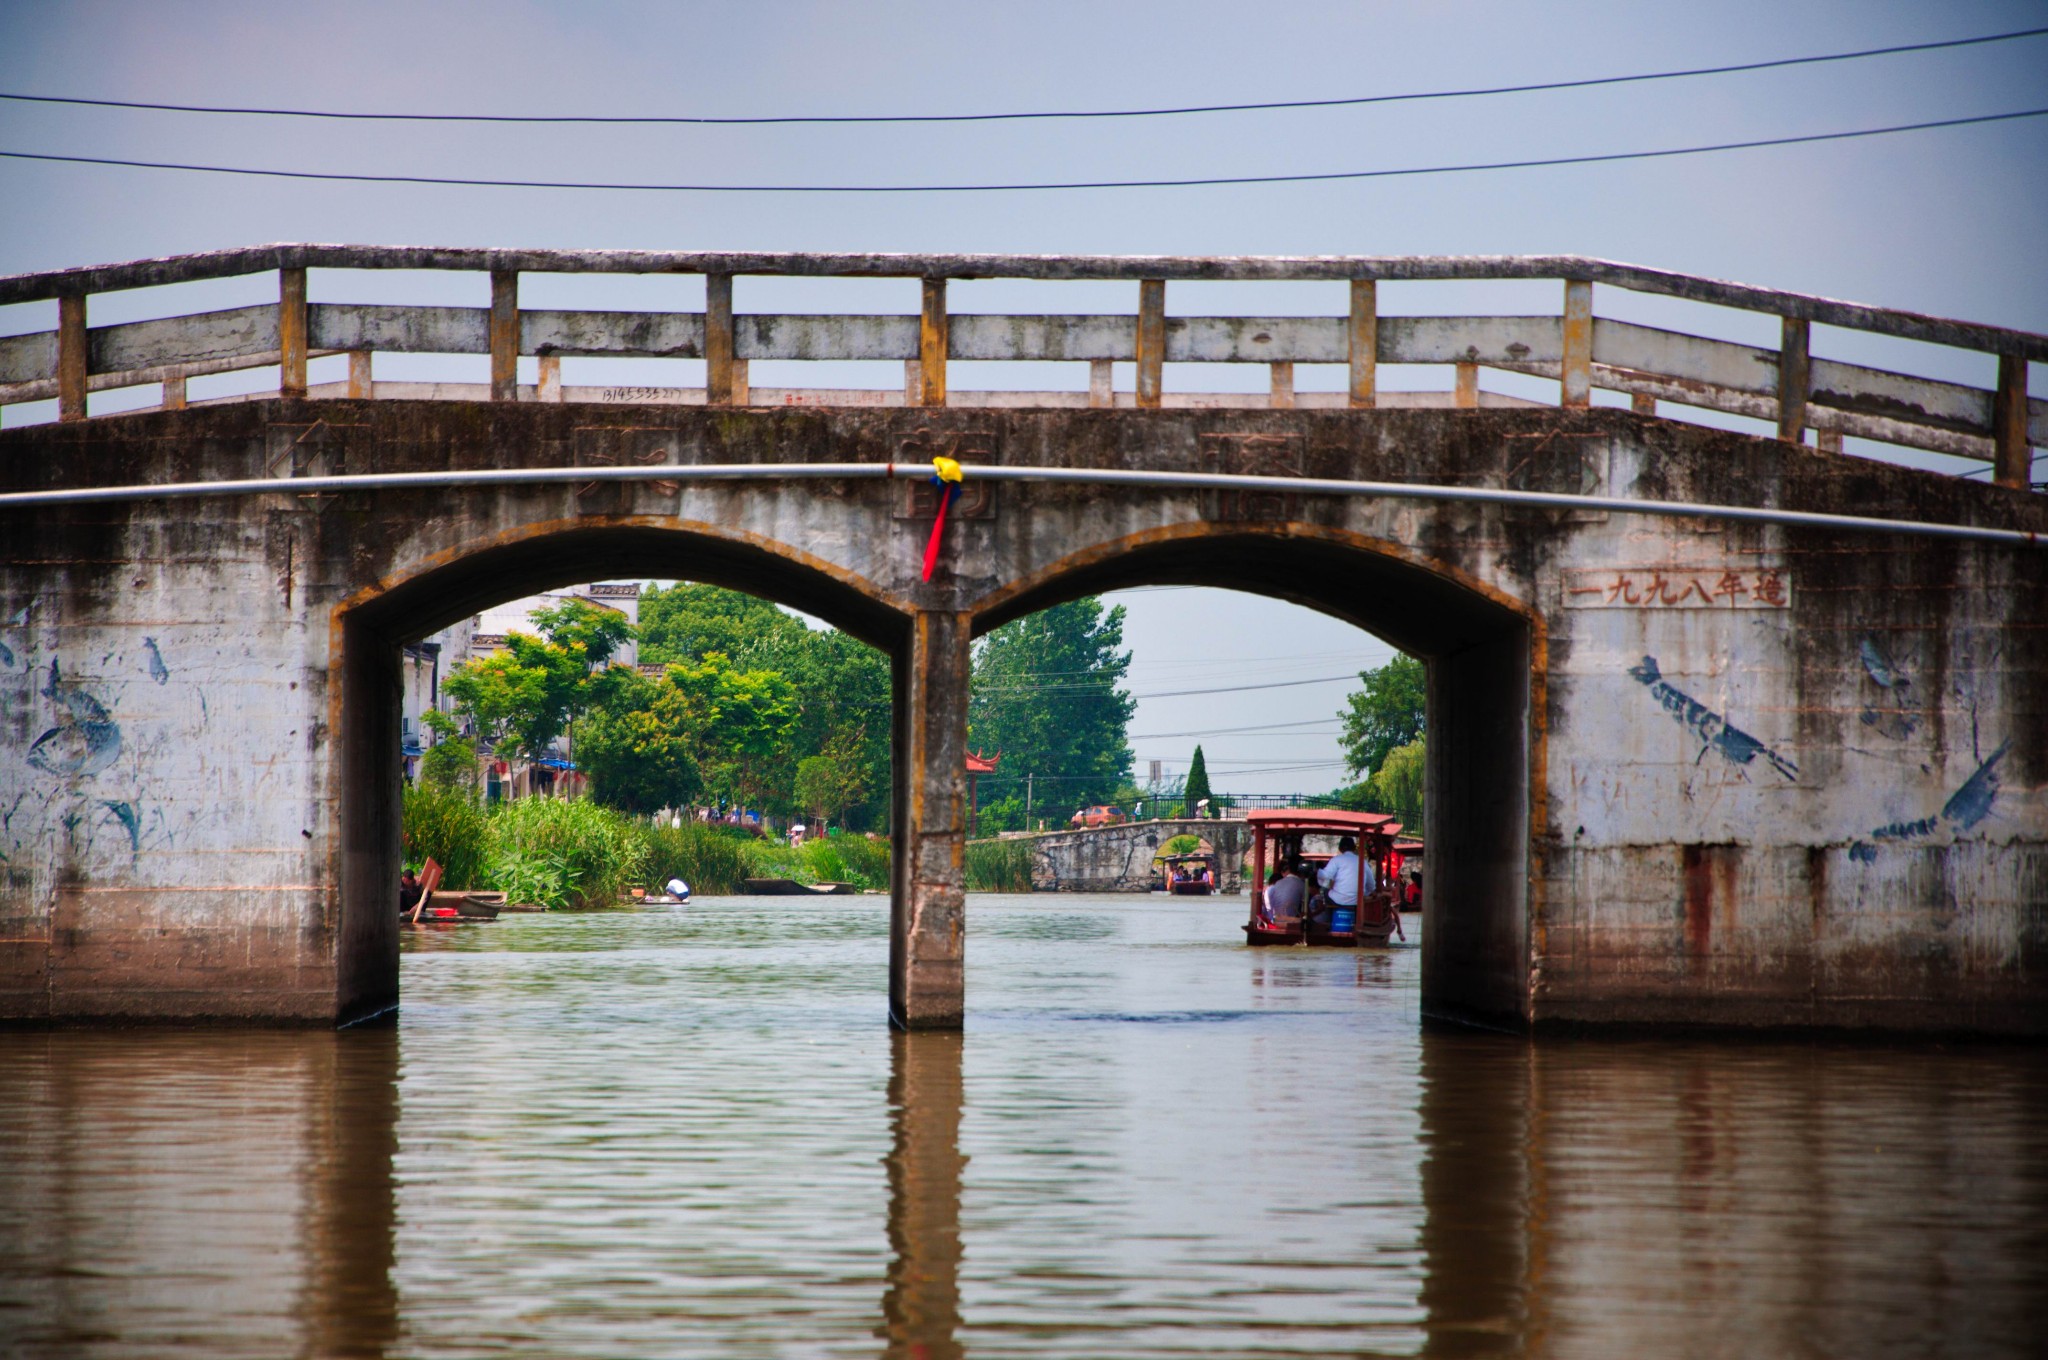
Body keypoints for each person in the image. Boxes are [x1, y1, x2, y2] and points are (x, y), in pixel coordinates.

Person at [1316, 835, 1375, 910]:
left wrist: (1317, 872)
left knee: (1325, 891)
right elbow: (1371, 885)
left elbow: (1325, 875)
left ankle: (1328, 917)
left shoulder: (1336, 860)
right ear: (1354, 848)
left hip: (1337, 900)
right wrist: (1363, 894)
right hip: (1357, 902)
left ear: (1340, 848)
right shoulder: (1363, 862)